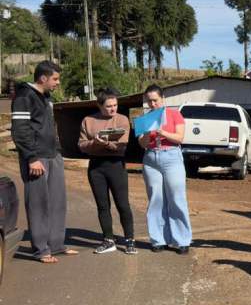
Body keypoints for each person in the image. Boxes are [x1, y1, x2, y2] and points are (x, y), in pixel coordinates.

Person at [11, 61, 73, 263]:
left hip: (52, 155)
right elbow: (20, 130)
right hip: (36, 159)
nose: (58, 82)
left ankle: (56, 245)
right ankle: (41, 250)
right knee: (39, 205)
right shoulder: (24, 96)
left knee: (57, 202)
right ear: (43, 78)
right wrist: (31, 158)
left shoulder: (46, 96)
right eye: (55, 79)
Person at [78, 88, 136, 255]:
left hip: (116, 165)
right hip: (96, 167)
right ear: (99, 105)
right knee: (102, 205)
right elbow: (81, 145)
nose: (113, 109)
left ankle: (130, 240)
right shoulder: (88, 120)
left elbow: (122, 146)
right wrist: (94, 143)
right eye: (109, 106)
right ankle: (108, 239)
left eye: (115, 105)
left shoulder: (122, 120)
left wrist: (106, 144)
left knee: (123, 204)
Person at [137, 85, 193, 254]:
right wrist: (147, 134)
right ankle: (158, 239)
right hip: (151, 158)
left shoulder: (175, 114)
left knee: (176, 197)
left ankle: (182, 240)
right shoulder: (144, 119)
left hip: (171, 157)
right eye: (149, 101)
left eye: (155, 100)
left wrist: (162, 132)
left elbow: (180, 138)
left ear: (162, 99)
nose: (152, 104)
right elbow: (142, 144)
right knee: (156, 198)